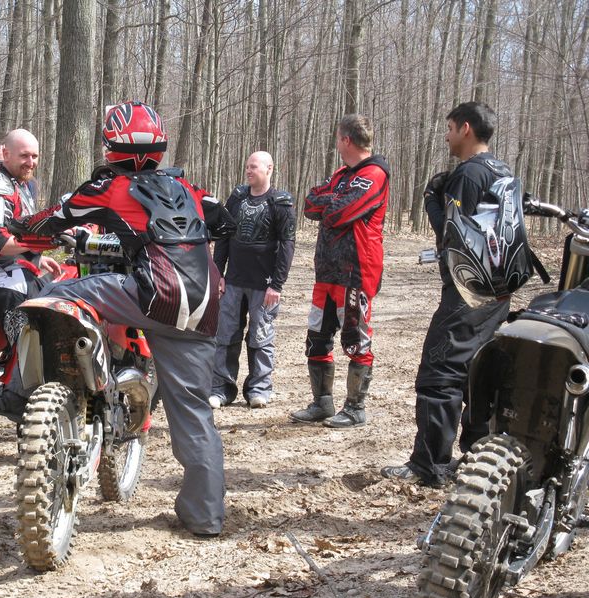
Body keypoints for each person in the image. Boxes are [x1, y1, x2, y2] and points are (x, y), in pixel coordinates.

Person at [0, 101, 236, 537]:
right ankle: (205, 517)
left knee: (52, 295)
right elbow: (227, 223)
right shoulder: (189, 187)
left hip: (153, 293)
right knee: (194, 412)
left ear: (111, 146)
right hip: (204, 302)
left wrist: (14, 227)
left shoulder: (108, 187)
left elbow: (51, 221)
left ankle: (17, 392)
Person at [381, 101, 512, 487]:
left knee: (439, 373)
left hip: (468, 291)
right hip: (497, 291)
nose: (446, 136)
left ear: (465, 128)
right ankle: (477, 456)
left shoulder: (469, 174)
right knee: (479, 374)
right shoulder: (503, 171)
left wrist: (431, 201)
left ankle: (429, 465)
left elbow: (453, 238)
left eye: (450, 128)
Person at [289, 114, 390, 429]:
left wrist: (331, 201)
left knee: (356, 339)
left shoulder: (374, 173)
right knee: (317, 337)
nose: (336, 143)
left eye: (337, 138)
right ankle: (322, 403)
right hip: (326, 271)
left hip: (355, 271)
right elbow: (310, 204)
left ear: (346, 139)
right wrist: (333, 199)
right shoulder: (341, 174)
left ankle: (355, 408)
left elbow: (339, 212)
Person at [209, 151, 295, 409]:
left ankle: (259, 389)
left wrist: (277, 284)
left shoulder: (280, 203)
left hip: (263, 285)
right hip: (234, 281)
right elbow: (223, 235)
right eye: (247, 166)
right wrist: (218, 273)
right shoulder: (236, 198)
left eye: (254, 167)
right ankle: (221, 389)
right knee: (225, 336)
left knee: (261, 338)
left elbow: (287, 245)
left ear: (269, 169)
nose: (248, 170)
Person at [0, 128, 60, 347]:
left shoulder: (18, 182)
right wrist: (47, 240)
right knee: (34, 351)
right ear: (6, 154)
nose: (31, 162)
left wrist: (36, 257)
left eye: (34, 156)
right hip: (6, 283)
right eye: (24, 155)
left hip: (14, 274)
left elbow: (15, 230)